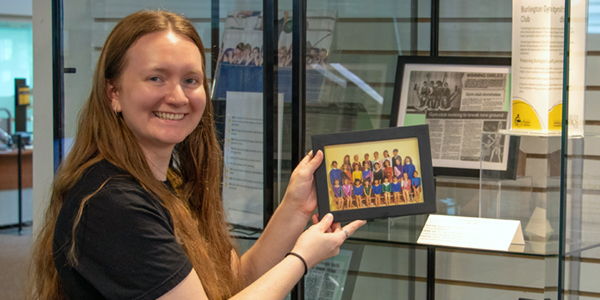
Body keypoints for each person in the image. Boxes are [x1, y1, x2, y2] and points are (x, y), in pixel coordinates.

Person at [29, 10, 365, 300]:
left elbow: (232, 281)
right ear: (113, 92)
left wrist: (295, 206)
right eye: (156, 78)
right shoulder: (113, 204)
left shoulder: (163, 183)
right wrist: (302, 259)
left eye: (191, 80)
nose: (177, 97)